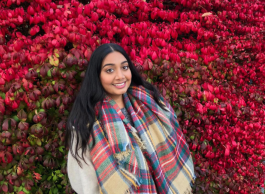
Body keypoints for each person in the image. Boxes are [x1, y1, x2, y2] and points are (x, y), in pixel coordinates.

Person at [65, 43, 195, 194]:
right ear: (97, 75)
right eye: (109, 70)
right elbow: (84, 183)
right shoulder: (87, 122)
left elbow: (176, 145)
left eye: (124, 67)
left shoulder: (151, 102)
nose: (120, 76)